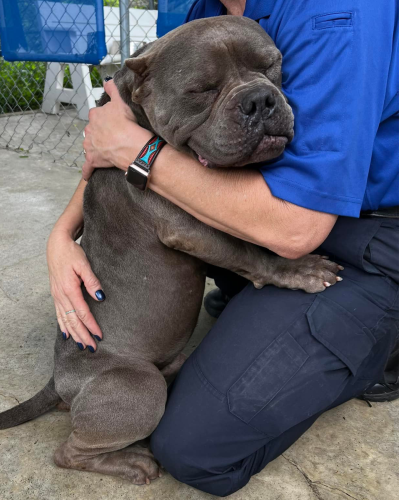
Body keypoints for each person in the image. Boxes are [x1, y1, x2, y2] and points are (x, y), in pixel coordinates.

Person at [46, 0, 399, 495]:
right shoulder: (199, 10)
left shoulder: (343, 10)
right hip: (259, 214)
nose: (251, 95)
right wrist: (62, 234)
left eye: (266, 68)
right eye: (202, 88)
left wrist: (142, 154)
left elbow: (295, 233)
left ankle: (380, 345)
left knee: (194, 449)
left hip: (363, 227)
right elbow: (116, 134)